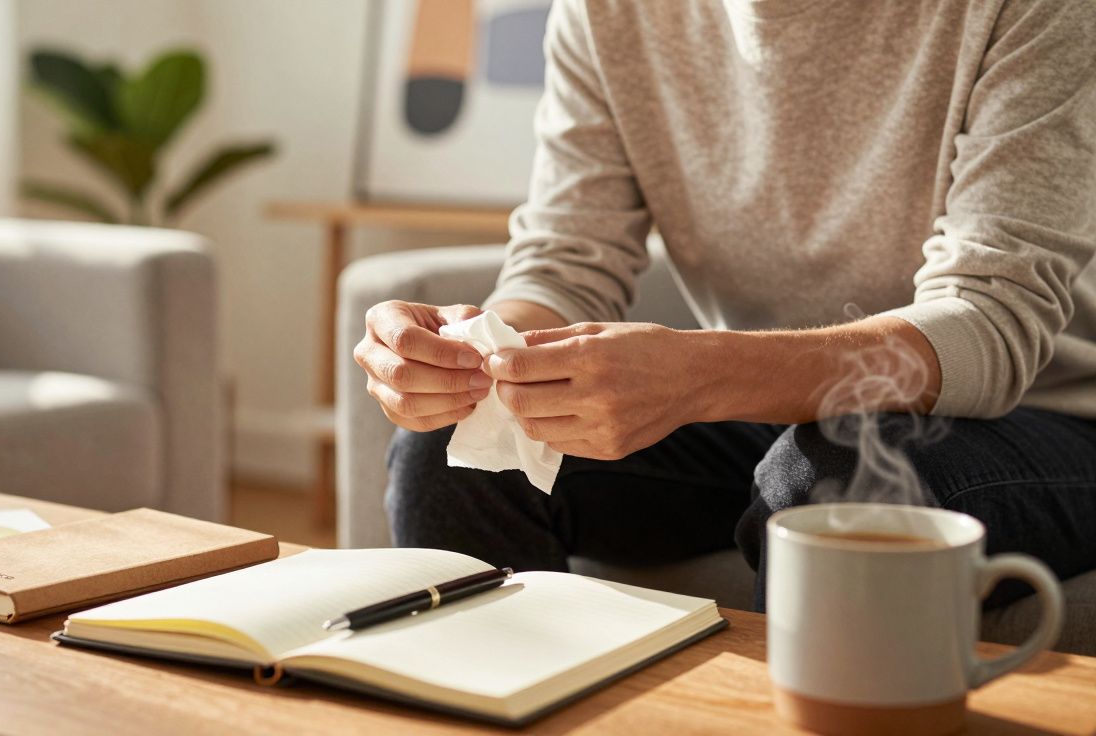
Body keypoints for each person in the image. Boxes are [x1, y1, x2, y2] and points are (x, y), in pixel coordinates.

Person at [353, 0, 1096, 610]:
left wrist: (700, 373)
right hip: (764, 417)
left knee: (834, 479)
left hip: (1037, 420)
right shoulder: (607, 13)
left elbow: (990, 324)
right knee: (449, 454)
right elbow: (566, 261)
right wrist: (479, 351)